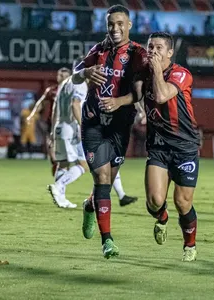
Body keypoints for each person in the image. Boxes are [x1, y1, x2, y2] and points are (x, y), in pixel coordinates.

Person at [72, 5, 147, 258]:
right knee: (102, 179)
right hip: (93, 121)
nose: (115, 28)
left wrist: (120, 102)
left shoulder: (137, 53)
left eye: (119, 24)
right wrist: (85, 72)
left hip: (120, 125)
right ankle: (108, 241)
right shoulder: (99, 49)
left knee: (108, 179)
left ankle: (89, 206)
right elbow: (74, 75)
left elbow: (139, 92)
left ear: (129, 25)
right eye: (110, 24)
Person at [142, 32, 200, 262]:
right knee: (154, 201)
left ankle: (190, 245)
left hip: (184, 146)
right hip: (158, 146)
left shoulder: (181, 74)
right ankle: (162, 218)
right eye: (150, 47)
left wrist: (156, 71)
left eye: (158, 47)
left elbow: (162, 94)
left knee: (183, 203)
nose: (153, 51)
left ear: (169, 52)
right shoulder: (143, 73)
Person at [47, 68, 88, 209]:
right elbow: (75, 104)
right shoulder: (80, 83)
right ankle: (58, 186)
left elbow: (54, 110)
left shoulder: (63, 84)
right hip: (71, 128)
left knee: (63, 163)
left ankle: (61, 198)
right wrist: (83, 126)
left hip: (59, 126)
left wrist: (53, 131)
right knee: (84, 165)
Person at [27, 68, 71, 175]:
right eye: (60, 75)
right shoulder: (52, 90)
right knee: (52, 151)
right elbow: (41, 102)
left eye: (65, 76)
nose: (62, 78)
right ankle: (56, 165)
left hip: (69, 125)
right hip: (52, 124)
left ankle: (63, 172)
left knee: (66, 153)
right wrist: (32, 115)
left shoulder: (74, 91)